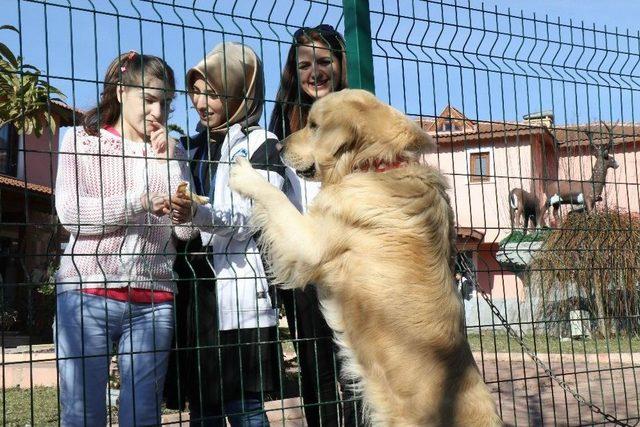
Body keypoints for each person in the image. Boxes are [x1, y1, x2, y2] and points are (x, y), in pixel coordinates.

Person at [54, 51, 195, 426]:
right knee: (83, 414)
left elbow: (185, 230)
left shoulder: (173, 150)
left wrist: (169, 167)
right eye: (148, 99)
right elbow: (70, 214)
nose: (158, 112)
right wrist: (138, 202)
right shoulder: (80, 140)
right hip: (86, 293)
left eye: (165, 102)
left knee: (144, 416)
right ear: (120, 92)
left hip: (154, 299)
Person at [165, 42, 285, 426]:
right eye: (196, 92)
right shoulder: (188, 147)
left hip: (237, 290)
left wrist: (199, 212)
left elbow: (251, 219)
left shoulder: (262, 145)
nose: (201, 103)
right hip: (194, 295)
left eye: (213, 92)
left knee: (244, 407)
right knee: (203, 408)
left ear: (241, 88)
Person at [269, 25, 363, 427]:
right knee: (315, 367)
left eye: (324, 61)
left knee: (358, 366)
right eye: (304, 64)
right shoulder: (282, 123)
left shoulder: (361, 117)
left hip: (351, 258)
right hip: (306, 262)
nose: (315, 72)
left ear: (342, 64)